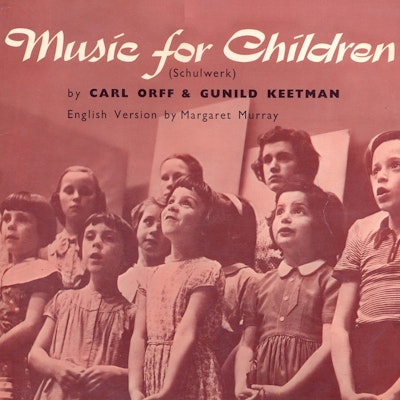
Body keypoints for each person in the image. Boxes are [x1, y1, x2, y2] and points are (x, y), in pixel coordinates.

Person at [235, 183, 345, 400]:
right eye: (279, 211)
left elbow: (330, 345)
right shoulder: (259, 284)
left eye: (298, 210)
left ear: (320, 224)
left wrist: (287, 391)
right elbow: (247, 344)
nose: (285, 217)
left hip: (310, 391)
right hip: (261, 390)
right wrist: (241, 383)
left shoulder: (330, 280)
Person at [129, 176, 225, 400]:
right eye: (171, 201)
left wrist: (168, 390)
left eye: (186, 203)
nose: (173, 206)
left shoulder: (206, 269)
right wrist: (135, 388)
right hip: (153, 376)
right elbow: (139, 336)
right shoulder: (149, 275)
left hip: (189, 377)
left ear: (204, 223)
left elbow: (186, 331)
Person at [29, 212, 137, 400]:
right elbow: (35, 354)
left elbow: (143, 370)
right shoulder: (63, 300)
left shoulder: (130, 314)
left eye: (108, 238)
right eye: (90, 237)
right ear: (81, 251)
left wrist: (118, 374)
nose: (96, 243)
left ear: (125, 257)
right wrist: (56, 368)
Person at [331, 130, 400, 399]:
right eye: (375, 170)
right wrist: (347, 391)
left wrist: (393, 394)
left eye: (396, 165)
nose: (381, 177)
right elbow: (340, 324)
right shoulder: (361, 230)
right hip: (366, 355)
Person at [0, 191, 60, 400]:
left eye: (22, 219)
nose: (11, 225)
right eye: (6, 218)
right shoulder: (4, 271)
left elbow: (31, 325)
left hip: (19, 365)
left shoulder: (43, 270)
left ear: (41, 230)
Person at [211, 193, 260, 400]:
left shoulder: (246, 278)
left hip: (224, 370)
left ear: (235, 232)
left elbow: (246, 339)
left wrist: (219, 376)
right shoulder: (201, 271)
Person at [251, 126, 320, 272]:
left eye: (283, 158)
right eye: (267, 160)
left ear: (303, 163)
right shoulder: (262, 226)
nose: (273, 167)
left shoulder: (320, 212)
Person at [46, 165, 107, 289]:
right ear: (58, 198)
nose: (76, 197)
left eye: (85, 192)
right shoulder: (46, 251)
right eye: (69, 191)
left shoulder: (104, 249)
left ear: (97, 199)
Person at [118, 197, 170, 304]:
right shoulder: (119, 282)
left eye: (163, 226)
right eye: (148, 221)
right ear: (136, 226)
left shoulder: (172, 281)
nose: (154, 230)